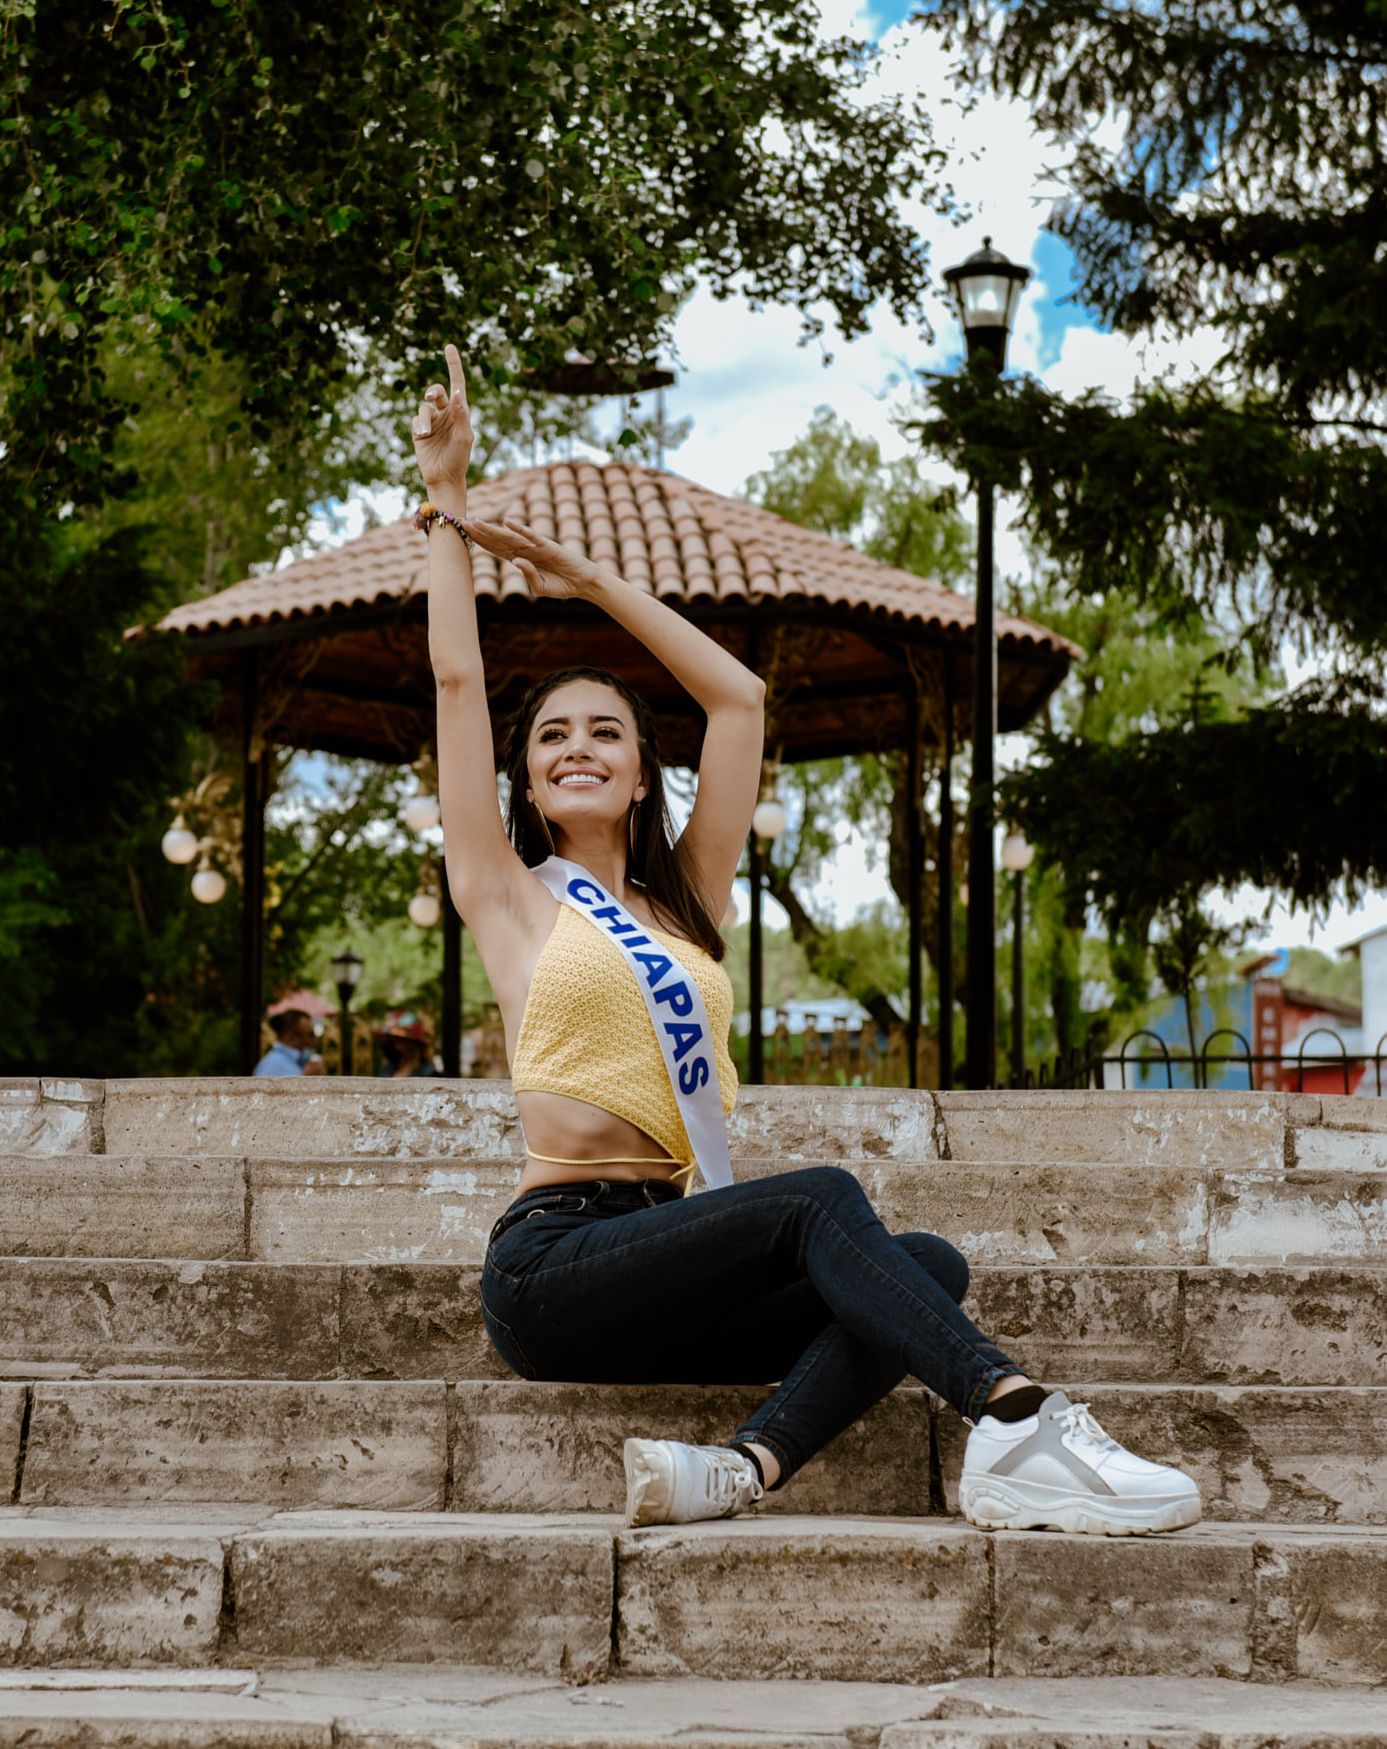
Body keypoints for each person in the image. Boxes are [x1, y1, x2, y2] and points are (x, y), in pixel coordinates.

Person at [411, 346, 1200, 1537]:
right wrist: (452, 510)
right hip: (556, 1267)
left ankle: (741, 1470)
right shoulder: (508, 892)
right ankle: (1017, 1415)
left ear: (638, 776)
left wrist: (581, 575)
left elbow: (736, 699)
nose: (578, 746)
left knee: (924, 1262)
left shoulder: (688, 909)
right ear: (526, 775)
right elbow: (457, 679)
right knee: (823, 1197)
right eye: (554, 736)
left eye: (608, 733)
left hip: (669, 1250)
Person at [252, 1009, 325, 1077]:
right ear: (291, 1037)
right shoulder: (272, 1064)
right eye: (310, 1035)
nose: (315, 1041)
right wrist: (304, 1079)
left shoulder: (300, 1062)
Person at [375, 1011, 438, 1077]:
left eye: (398, 1040)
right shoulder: (386, 1069)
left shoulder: (428, 1073)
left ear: (412, 1043)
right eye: (389, 1039)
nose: (391, 1044)